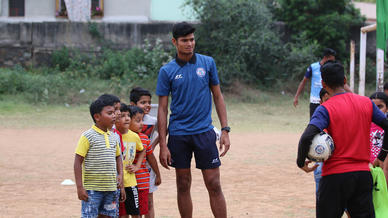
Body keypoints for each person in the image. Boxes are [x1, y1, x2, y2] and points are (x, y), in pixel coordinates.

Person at [156, 22, 231, 217]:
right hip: (179, 135)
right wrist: (163, 145)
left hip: (204, 133)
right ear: (175, 42)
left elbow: (218, 96)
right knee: (183, 184)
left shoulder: (207, 63)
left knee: (214, 184)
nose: (189, 44)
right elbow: (162, 109)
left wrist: (225, 129)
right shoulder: (167, 71)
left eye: (192, 39)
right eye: (184, 40)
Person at [296, 61, 388, 218]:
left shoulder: (325, 108)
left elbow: (306, 137)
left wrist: (300, 162)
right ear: (345, 80)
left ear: (323, 84)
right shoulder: (366, 102)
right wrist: (382, 154)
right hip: (362, 176)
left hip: (334, 177)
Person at [74, 95, 126, 218]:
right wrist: (80, 188)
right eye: (110, 113)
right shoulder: (88, 136)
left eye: (114, 112)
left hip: (111, 188)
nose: (114, 115)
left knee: (108, 215)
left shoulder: (114, 136)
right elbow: (77, 162)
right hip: (92, 190)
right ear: (97, 117)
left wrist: (120, 177)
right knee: (90, 216)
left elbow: (118, 157)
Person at [129, 87, 161, 218]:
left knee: (148, 201)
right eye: (143, 102)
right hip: (130, 167)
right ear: (133, 104)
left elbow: (163, 131)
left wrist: (152, 146)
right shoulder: (126, 121)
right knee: (132, 203)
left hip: (147, 166)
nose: (147, 105)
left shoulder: (153, 121)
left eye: (149, 102)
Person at [293, 48, 351, 117]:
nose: (333, 62)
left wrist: (352, 93)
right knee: (315, 122)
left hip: (328, 100)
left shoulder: (333, 69)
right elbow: (303, 82)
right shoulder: (313, 67)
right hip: (315, 101)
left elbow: (341, 82)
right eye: (331, 60)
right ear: (325, 58)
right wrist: (296, 96)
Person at [117, 103, 146, 218]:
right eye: (122, 116)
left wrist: (137, 166)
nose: (127, 118)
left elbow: (142, 150)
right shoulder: (113, 135)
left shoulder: (134, 136)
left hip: (131, 182)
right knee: (121, 214)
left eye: (128, 115)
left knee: (135, 213)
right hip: (117, 183)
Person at [369, 92, 388, 164]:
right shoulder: (364, 125)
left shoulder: (386, 126)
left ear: (387, 108)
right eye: (373, 107)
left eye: (380, 107)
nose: (376, 110)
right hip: (368, 167)